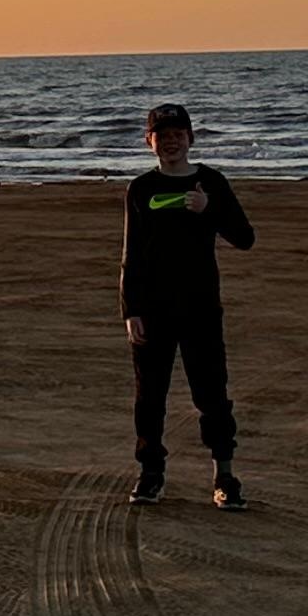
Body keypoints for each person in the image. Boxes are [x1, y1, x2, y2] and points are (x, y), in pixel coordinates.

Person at [120, 102, 253, 508]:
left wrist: (208, 210)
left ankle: (224, 477)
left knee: (212, 394)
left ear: (191, 139)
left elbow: (245, 237)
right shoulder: (141, 189)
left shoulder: (211, 182)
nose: (171, 141)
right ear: (150, 142)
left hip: (200, 309)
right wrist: (130, 309)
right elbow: (132, 254)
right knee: (150, 398)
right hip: (153, 311)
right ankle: (151, 473)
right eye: (163, 135)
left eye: (179, 133)